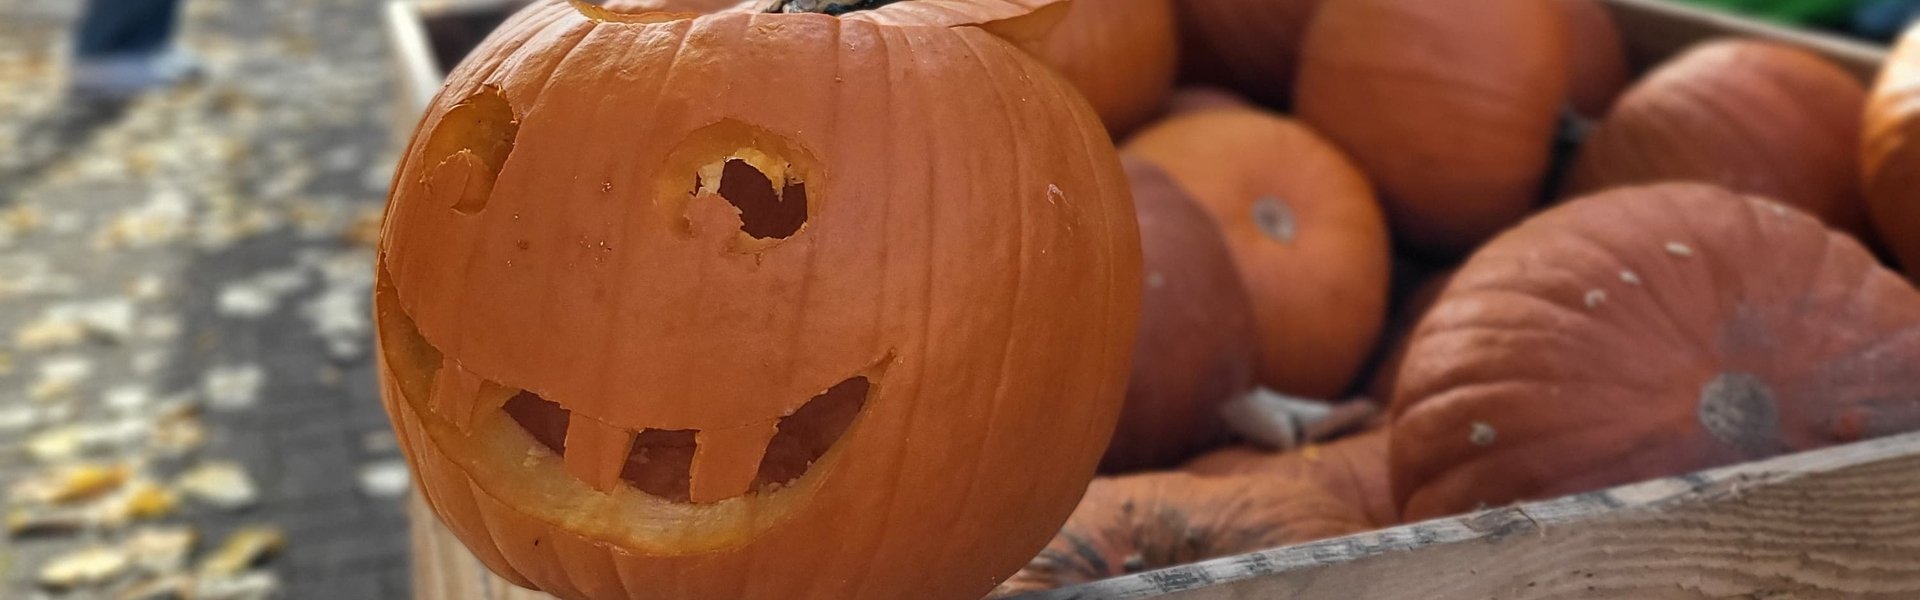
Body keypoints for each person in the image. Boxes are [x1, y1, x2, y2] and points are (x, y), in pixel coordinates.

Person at [68, 0, 199, 99]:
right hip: (103, 53)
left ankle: (147, 44)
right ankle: (99, 56)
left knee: (154, 37)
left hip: (147, 47)